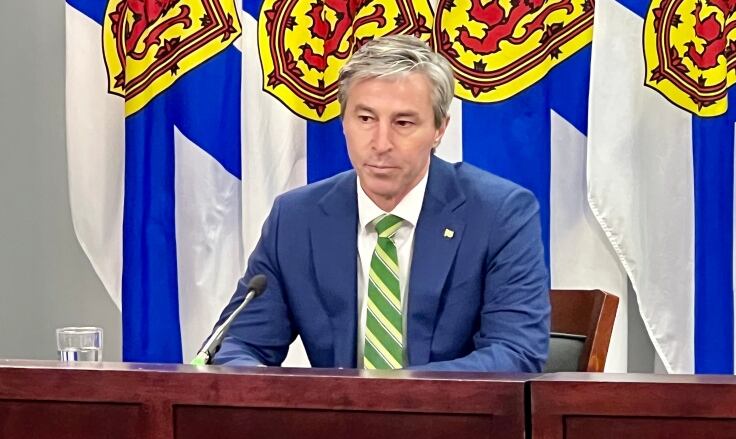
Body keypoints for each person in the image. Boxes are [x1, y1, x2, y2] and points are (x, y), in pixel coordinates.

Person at [209, 35, 550, 372]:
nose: (381, 143)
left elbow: (515, 352)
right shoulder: (298, 219)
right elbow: (239, 343)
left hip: (454, 423)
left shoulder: (499, 214)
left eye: (403, 123)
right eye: (365, 119)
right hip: (334, 423)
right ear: (344, 122)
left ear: (439, 129)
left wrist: (391, 397)